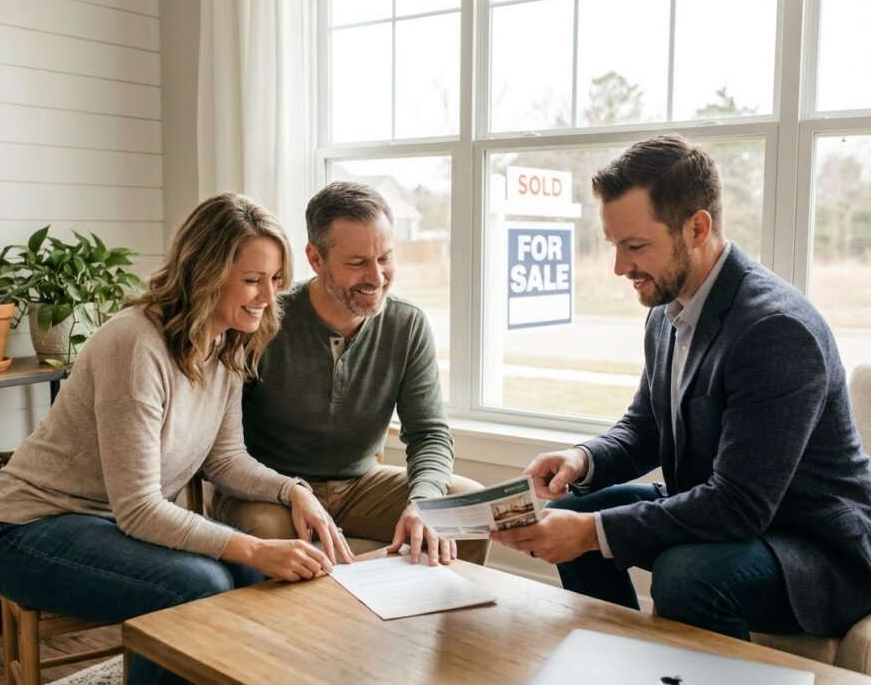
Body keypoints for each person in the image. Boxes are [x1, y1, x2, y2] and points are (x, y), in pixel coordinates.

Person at [491, 134, 871, 640]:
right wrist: (582, 459)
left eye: (636, 246)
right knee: (567, 512)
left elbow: (739, 504)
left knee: (686, 573)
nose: (620, 267)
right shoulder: (667, 310)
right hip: (723, 507)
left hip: (814, 546)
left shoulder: (777, 330)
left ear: (697, 227)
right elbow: (645, 425)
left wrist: (593, 533)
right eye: (615, 245)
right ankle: (612, 659)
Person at [0, 194, 352, 685]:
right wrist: (256, 548)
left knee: (248, 576)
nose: (268, 296)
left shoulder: (225, 342)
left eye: (275, 279)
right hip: (29, 531)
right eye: (251, 280)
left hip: (112, 525)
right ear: (204, 273)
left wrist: (293, 490)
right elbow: (138, 507)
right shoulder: (136, 346)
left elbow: (226, 460)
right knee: (198, 586)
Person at [211, 181, 490, 566]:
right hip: (269, 493)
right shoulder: (261, 320)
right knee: (271, 534)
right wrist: (289, 491)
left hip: (360, 484)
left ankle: (420, 623)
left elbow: (429, 433)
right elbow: (222, 449)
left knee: (466, 514)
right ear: (315, 258)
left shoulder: (406, 325)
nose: (376, 278)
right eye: (357, 263)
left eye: (385, 258)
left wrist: (424, 500)